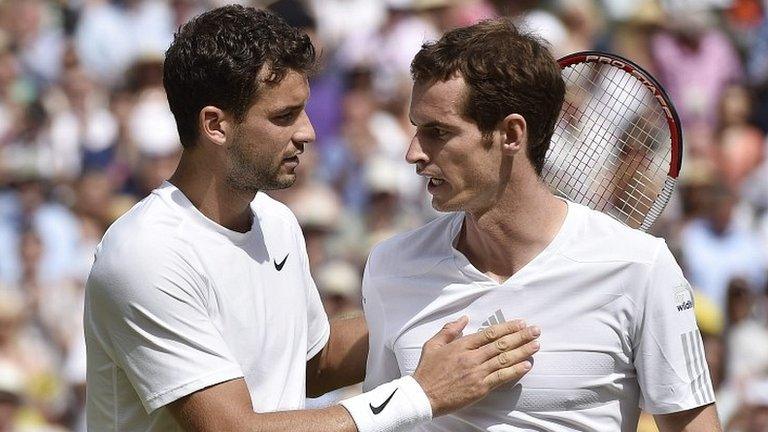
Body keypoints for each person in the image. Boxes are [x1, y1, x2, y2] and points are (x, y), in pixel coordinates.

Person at [83, 6, 541, 432]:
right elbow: (234, 428)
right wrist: (420, 393)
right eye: (284, 116)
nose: (308, 131)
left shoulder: (276, 223)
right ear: (215, 125)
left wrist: (443, 306)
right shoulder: (146, 254)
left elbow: (310, 363)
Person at [361, 18, 722, 432]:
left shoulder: (642, 267)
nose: (413, 153)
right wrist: (424, 394)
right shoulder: (390, 266)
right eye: (415, 129)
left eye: (438, 132)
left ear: (511, 134)